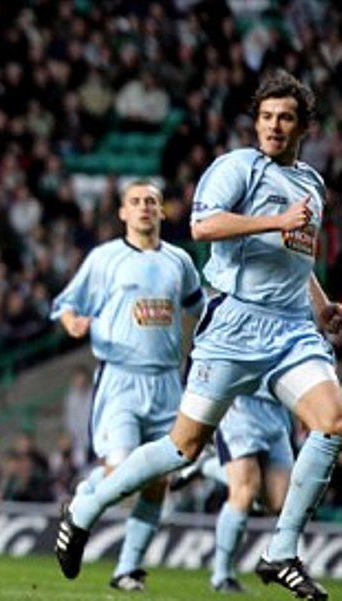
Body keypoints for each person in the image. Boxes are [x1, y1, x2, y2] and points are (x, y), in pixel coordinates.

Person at [55, 70, 342, 601]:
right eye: (266, 117)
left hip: (291, 330)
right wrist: (273, 221)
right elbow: (202, 227)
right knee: (183, 448)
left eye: (285, 118)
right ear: (256, 123)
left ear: (304, 126)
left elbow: (298, 256)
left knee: (334, 422)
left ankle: (282, 551)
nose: (274, 126)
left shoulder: (313, 183)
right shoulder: (235, 168)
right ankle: (86, 508)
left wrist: (321, 308)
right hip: (233, 323)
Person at [50, 179, 204, 591]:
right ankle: (83, 504)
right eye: (135, 202)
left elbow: (198, 308)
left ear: (162, 211)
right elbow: (66, 303)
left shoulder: (180, 262)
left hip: (167, 381)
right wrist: (73, 322)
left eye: (151, 201)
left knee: (157, 480)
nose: (144, 208)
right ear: (122, 212)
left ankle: (127, 569)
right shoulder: (105, 259)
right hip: (119, 379)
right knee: (121, 471)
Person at [209, 392, 294, 593]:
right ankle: (222, 576)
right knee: (244, 492)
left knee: (278, 503)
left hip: (277, 413)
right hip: (241, 408)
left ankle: (207, 466)